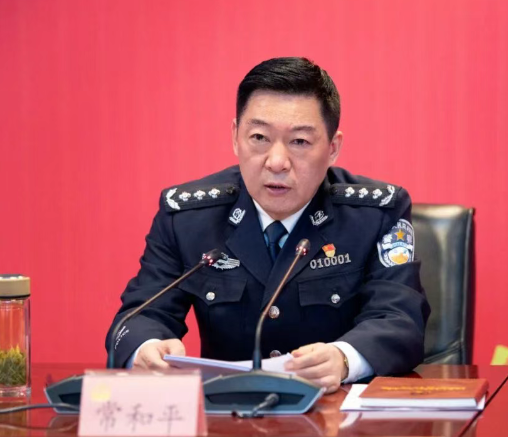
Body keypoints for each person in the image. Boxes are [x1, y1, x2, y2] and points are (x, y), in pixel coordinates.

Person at [106, 57, 430, 394]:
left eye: (299, 142)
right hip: (227, 411)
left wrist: (344, 359)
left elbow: (400, 320)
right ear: (235, 137)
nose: (277, 162)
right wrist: (146, 349)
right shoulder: (188, 217)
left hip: (336, 412)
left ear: (333, 148)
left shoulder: (375, 214)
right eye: (259, 137)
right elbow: (138, 317)